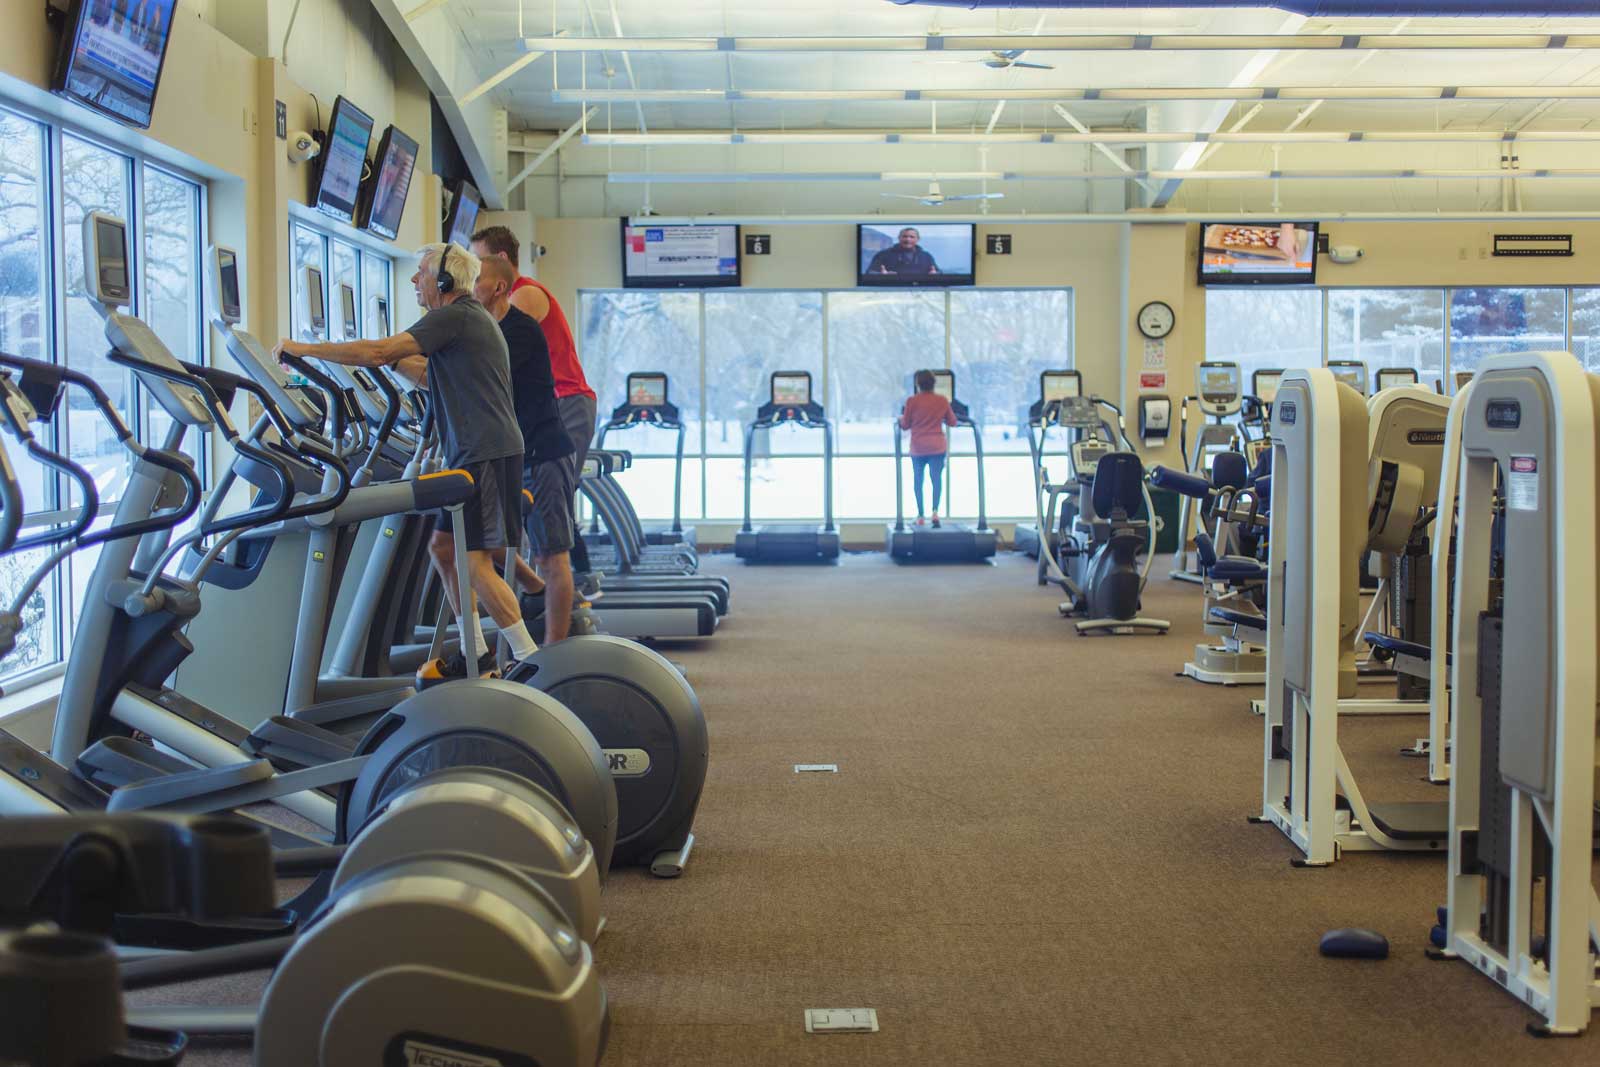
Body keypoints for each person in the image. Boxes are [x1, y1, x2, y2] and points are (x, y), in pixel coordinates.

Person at [274, 242, 541, 684]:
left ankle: (530, 661)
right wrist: (384, 360)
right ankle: (475, 653)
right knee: (443, 549)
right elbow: (425, 374)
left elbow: (380, 351)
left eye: (421, 273)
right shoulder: (465, 321)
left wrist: (305, 349)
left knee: (473, 562)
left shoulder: (454, 314)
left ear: (443, 280)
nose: (415, 280)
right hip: (477, 451)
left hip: (485, 453)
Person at [471, 226, 602, 600]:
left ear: (501, 262)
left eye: (478, 264)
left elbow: (494, 345)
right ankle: (546, 588)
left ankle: (575, 588)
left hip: (566, 401)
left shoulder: (524, 293)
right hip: (551, 404)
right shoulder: (514, 293)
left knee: (553, 499)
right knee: (534, 508)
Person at [473, 255, 578, 646]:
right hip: (512, 456)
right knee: (477, 539)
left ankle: (555, 653)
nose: (468, 289)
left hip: (543, 453)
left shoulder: (517, 331)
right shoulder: (485, 331)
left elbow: (478, 376)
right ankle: (533, 588)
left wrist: (395, 358)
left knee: (553, 557)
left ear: (498, 287)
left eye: (475, 280)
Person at [899, 370, 957, 527]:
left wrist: (901, 419)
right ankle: (935, 513)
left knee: (918, 480)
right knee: (936, 479)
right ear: (934, 384)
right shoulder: (942, 401)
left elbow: (905, 425)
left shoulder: (912, 401)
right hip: (937, 447)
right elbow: (952, 422)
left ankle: (920, 515)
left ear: (918, 384)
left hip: (918, 447)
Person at [867, 228, 940, 276]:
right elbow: (869, 273)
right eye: (904, 236)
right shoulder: (883, 254)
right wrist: (882, 275)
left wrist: (934, 274)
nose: (908, 239)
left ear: (918, 239)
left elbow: (938, 272)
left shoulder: (926, 256)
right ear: (899, 238)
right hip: (891, 290)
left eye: (912, 237)